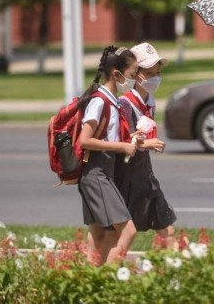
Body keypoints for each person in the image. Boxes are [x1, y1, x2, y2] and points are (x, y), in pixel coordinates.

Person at [77, 45, 143, 265]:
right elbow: (84, 140)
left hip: (103, 173)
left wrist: (131, 140)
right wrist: (122, 147)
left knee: (99, 235)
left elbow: (108, 135)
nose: (135, 80)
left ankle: (89, 284)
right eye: (133, 75)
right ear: (117, 74)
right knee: (128, 230)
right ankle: (110, 282)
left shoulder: (112, 101)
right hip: (96, 175)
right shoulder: (100, 101)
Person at [114, 42, 178, 250]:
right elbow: (122, 139)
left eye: (157, 72)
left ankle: (167, 276)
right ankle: (109, 274)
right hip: (126, 178)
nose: (155, 77)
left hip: (145, 175)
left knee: (167, 231)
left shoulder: (150, 101)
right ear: (134, 74)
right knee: (121, 236)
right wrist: (145, 143)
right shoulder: (124, 103)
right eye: (149, 73)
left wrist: (148, 142)